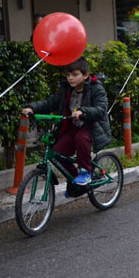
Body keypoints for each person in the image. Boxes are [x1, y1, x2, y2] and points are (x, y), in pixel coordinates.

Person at [22, 57, 111, 186]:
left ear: (85, 75)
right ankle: (75, 181)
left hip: (91, 126)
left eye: (75, 75)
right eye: (68, 75)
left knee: (81, 139)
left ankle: (85, 172)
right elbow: (50, 102)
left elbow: (101, 109)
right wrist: (32, 108)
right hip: (72, 127)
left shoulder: (96, 89)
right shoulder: (67, 90)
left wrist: (83, 112)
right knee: (58, 153)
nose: (70, 78)